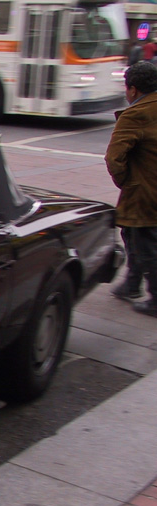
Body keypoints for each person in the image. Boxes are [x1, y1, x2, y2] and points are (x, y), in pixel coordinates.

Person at [105, 60, 157, 316]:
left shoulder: (136, 114)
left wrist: (126, 182)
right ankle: (131, 283)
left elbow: (114, 158)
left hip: (144, 191)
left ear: (133, 89)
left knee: (144, 241)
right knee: (133, 233)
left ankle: (155, 298)